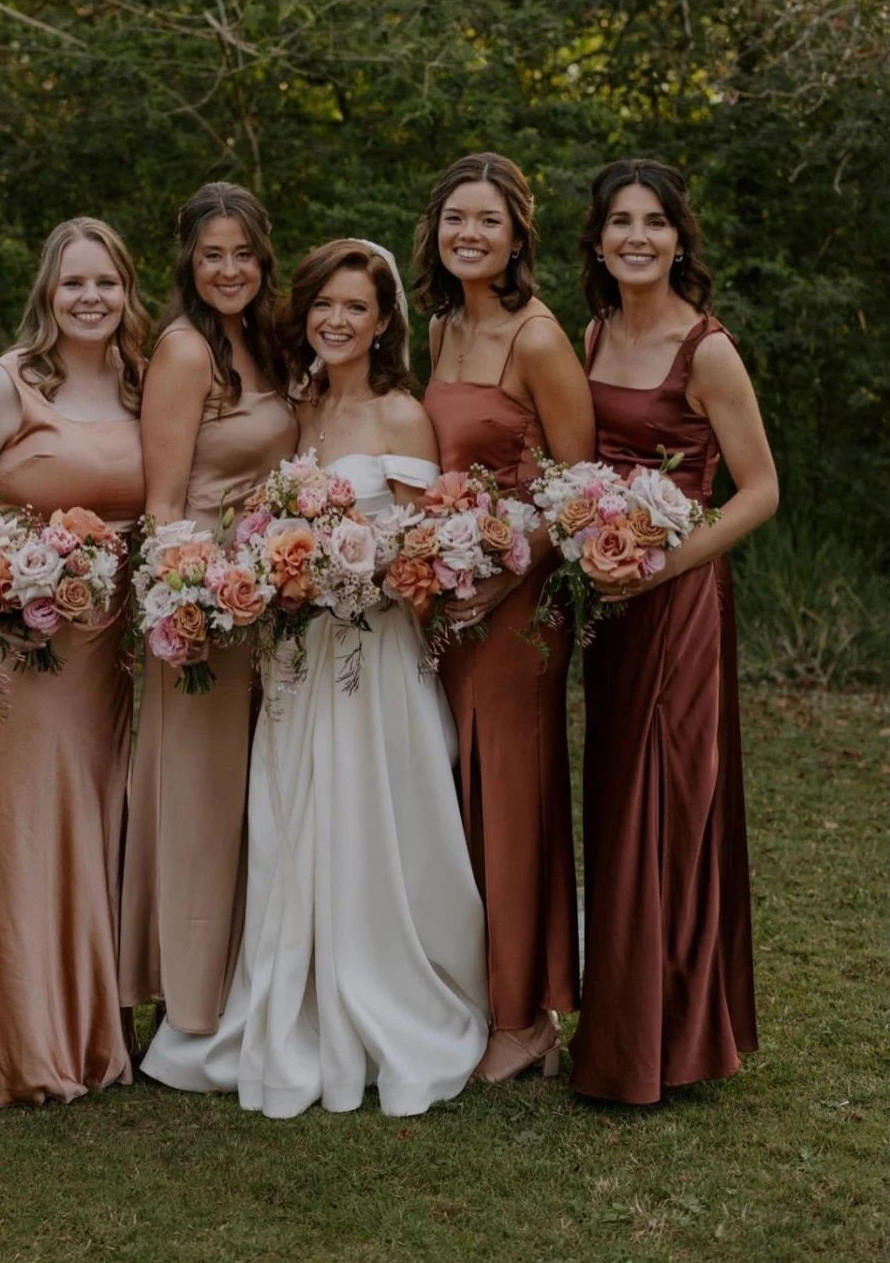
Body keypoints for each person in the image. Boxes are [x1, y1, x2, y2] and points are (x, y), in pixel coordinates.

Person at [140, 240, 489, 1117]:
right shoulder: (301, 413)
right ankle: (288, 996)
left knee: (367, 819)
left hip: (369, 659)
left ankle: (385, 1002)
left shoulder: (403, 417)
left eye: (355, 309)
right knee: (291, 820)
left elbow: (425, 559)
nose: (336, 321)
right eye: (323, 307)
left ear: (381, 325)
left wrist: (356, 576)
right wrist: (272, 573)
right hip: (296, 657)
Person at [0, 217, 148, 1111]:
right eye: (74, 282)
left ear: (128, 292)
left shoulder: (142, 383)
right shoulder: (6, 385)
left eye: (106, 283)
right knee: (20, 833)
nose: (90, 298)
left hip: (111, 649)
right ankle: (7, 1042)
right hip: (17, 643)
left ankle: (89, 1030)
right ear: (48, 291)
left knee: (93, 822)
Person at [570, 158, 778, 1104]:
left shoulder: (708, 351)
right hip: (608, 604)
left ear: (678, 239)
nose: (637, 237)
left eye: (654, 221)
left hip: (679, 599)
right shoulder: (592, 332)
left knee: (669, 798)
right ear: (599, 241)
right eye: (620, 221)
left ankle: (669, 1040)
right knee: (617, 794)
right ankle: (625, 1019)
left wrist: (662, 561)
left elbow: (762, 490)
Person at [418, 152, 595, 1082]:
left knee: (511, 791)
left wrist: (503, 568)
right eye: (454, 220)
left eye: (486, 221)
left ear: (517, 233)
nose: (468, 236)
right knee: (452, 785)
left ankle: (526, 1016)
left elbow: (576, 488)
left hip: (518, 604)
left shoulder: (536, 337)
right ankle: (469, 989)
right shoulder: (441, 326)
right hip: (447, 594)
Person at [118, 182, 298, 1037]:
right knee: (196, 798)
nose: (229, 269)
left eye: (243, 253)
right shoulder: (186, 350)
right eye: (210, 254)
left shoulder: (261, 342)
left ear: (264, 259)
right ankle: (183, 1001)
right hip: (205, 609)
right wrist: (193, 602)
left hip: (271, 600)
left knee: (252, 797)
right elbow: (162, 502)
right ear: (189, 263)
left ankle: (238, 982)